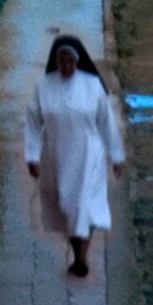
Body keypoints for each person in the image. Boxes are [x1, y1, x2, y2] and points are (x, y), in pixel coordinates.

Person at [22, 31, 126, 280]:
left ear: (78, 61)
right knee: (66, 205)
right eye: (62, 61)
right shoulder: (44, 87)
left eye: (71, 61)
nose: (66, 66)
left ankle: (81, 258)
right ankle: (77, 248)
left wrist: (116, 155)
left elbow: (106, 122)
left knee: (83, 204)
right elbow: (34, 123)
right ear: (55, 61)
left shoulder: (92, 86)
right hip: (56, 155)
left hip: (89, 154)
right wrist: (32, 155)